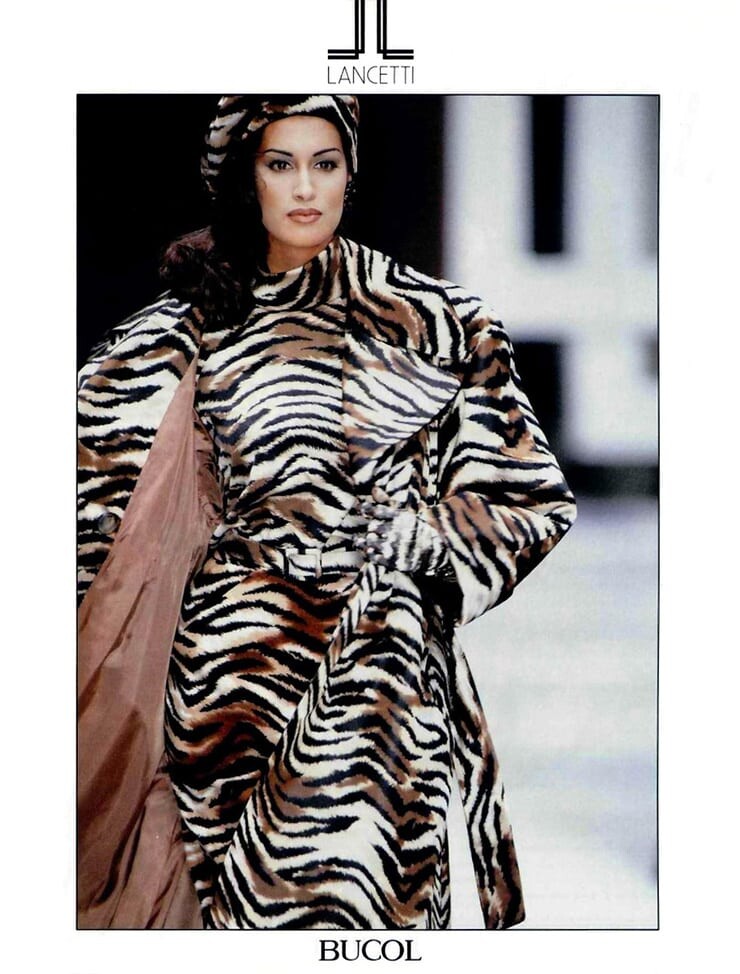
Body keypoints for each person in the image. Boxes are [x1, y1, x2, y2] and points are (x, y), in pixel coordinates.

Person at [77, 94, 577, 931]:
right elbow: (92, 509)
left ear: (351, 173)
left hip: (381, 671)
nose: (306, 187)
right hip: (230, 684)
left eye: (325, 163)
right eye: (281, 165)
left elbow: (527, 495)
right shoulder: (177, 333)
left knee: (367, 914)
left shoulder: (435, 319)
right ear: (247, 179)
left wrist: (423, 537)